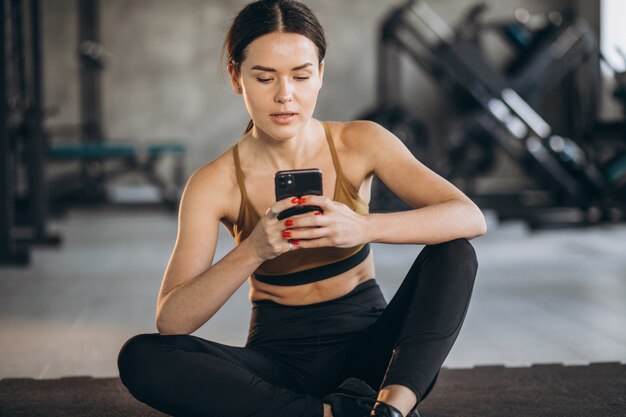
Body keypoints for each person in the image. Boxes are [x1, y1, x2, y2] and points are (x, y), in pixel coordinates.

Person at [117, 1, 486, 416]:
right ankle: (332, 413)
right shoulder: (213, 183)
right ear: (236, 77)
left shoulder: (361, 142)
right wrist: (253, 249)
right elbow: (172, 321)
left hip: (372, 353)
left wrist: (362, 228)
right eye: (264, 77)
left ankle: (391, 409)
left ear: (321, 74)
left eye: (301, 75)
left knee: (456, 253)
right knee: (141, 357)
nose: (284, 95)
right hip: (278, 362)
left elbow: (469, 216)